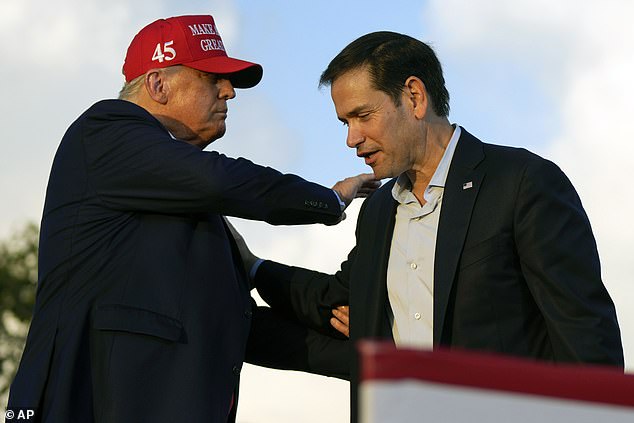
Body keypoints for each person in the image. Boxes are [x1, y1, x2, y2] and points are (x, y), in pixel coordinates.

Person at [6, 15, 377, 423]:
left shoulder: (178, 195)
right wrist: (329, 199)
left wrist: (374, 358)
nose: (229, 91)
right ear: (157, 84)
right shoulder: (105, 130)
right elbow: (219, 178)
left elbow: (236, 325)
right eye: (210, 78)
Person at [242, 31, 624, 421]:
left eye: (362, 116)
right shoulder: (377, 212)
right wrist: (252, 267)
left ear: (414, 97)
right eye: (345, 122)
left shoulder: (522, 182)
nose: (351, 138)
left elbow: (584, 333)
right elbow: (334, 301)